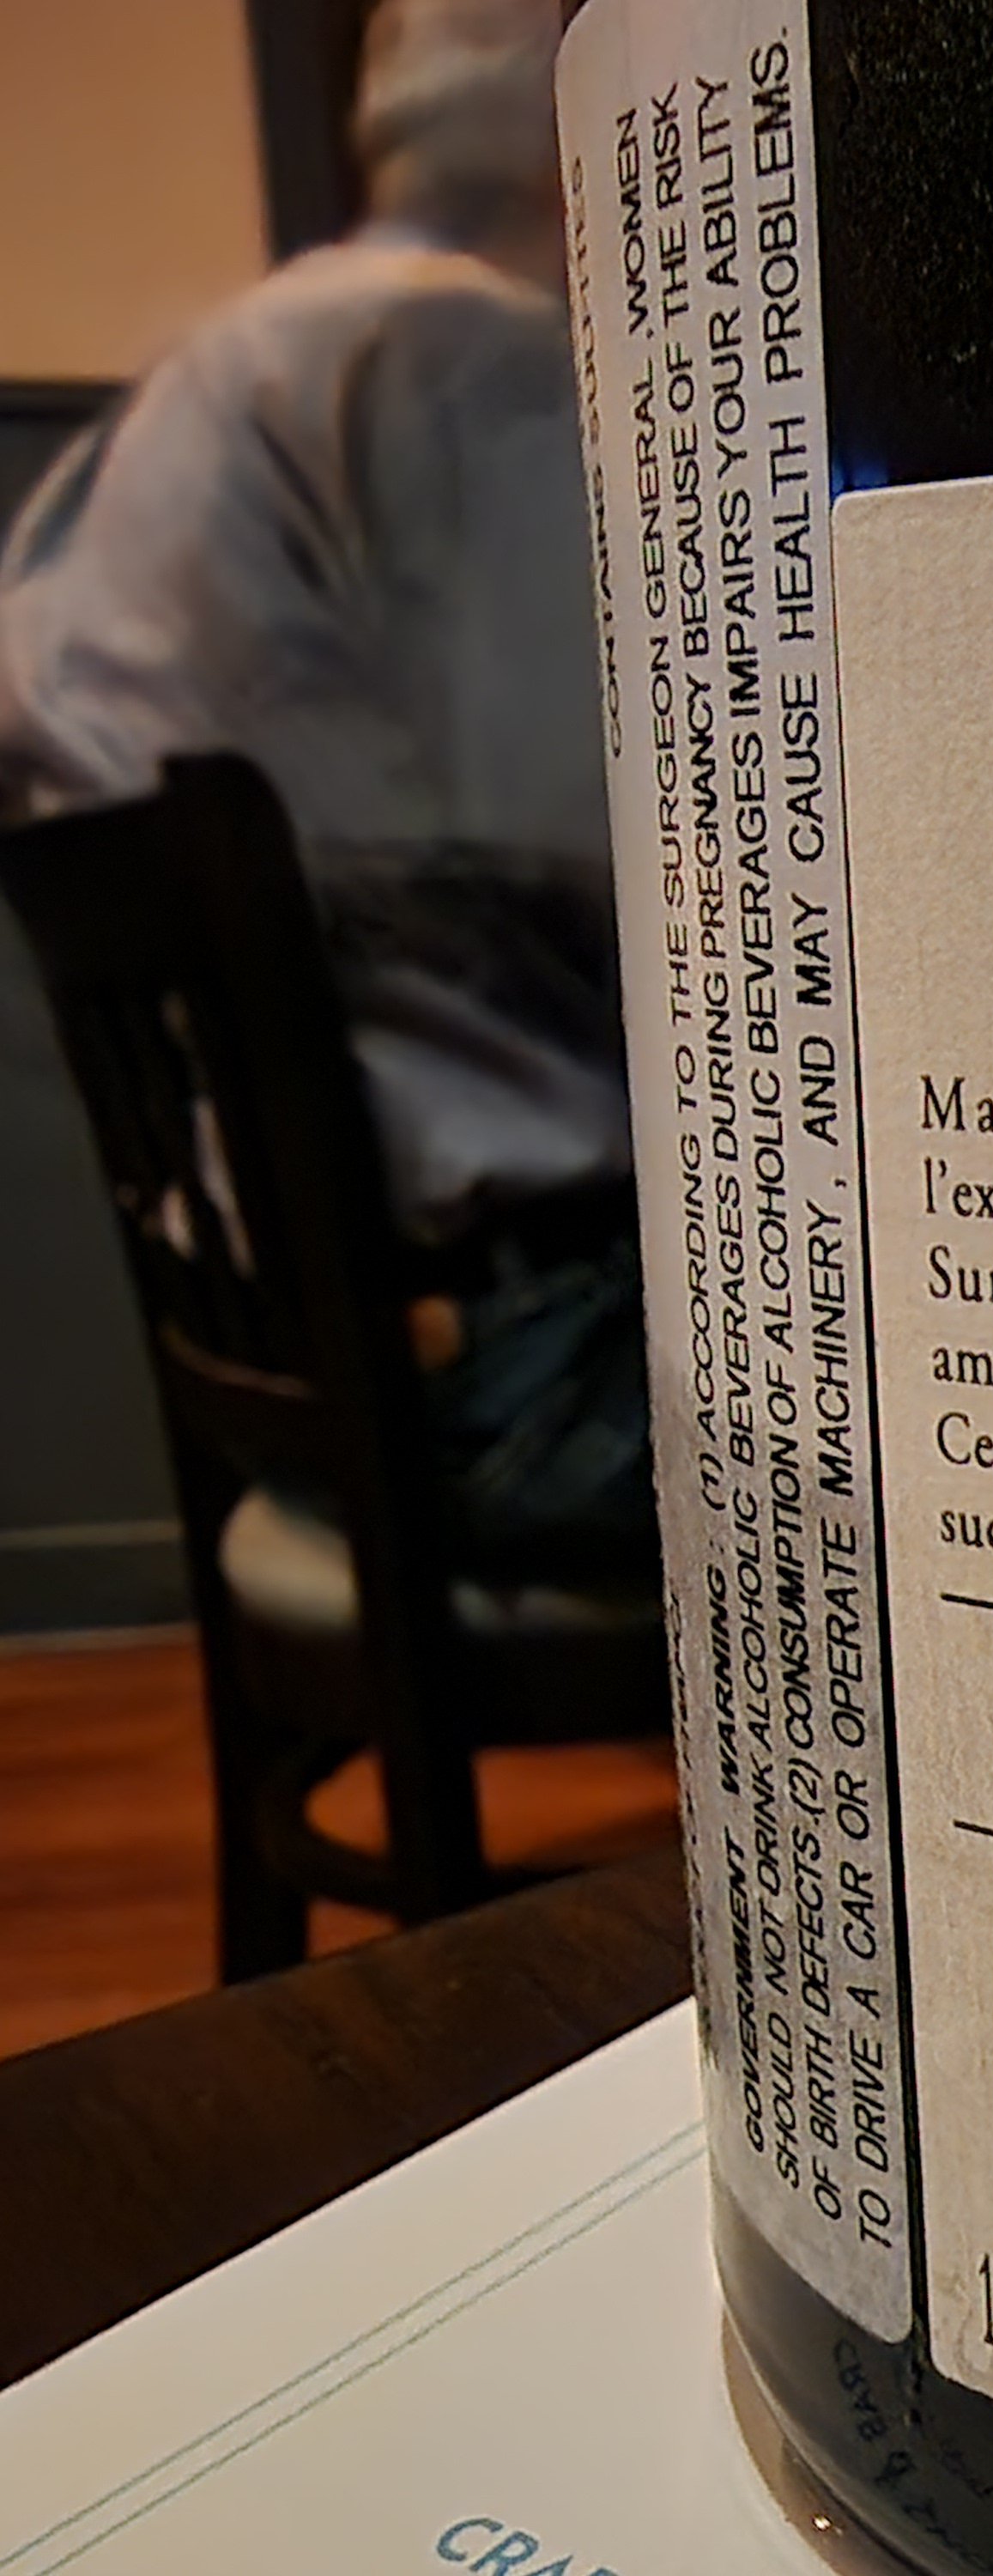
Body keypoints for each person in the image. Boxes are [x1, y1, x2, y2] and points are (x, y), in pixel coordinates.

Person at [0, 0, 649, 1579]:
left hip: (290, 1334)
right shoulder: (446, 354)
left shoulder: (177, 410)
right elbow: (646, 844)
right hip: (512, 1356)